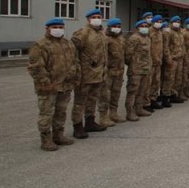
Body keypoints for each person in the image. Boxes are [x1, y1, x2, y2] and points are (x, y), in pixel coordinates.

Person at [27, 17, 79, 151]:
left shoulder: (68, 44)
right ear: (47, 29)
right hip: (48, 87)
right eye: (55, 27)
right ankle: (46, 138)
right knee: (46, 113)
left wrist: (75, 77)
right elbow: (36, 67)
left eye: (60, 27)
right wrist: (45, 83)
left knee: (61, 112)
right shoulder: (40, 45)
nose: (58, 29)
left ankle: (58, 135)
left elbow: (75, 62)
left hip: (65, 86)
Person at [71, 8, 108, 138]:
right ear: (88, 19)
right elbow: (73, 53)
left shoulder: (101, 33)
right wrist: (77, 70)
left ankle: (90, 122)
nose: (97, 19)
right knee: (80, 101)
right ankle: (77, 126)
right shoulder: (83, 33)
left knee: (92, 99)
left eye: (99, 16)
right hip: (85, 75)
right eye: (94, 17)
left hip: (98, 74)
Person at [123, 20, 152, 121]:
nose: (144, 27)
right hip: (136, 69)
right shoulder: (134, 38)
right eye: (142, 26)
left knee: (142, 90)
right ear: (137, 28)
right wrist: (134, 64)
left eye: (146, 26)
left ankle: (139, 108)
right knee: (132, 91)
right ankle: (130, 112)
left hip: (145, 68)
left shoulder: (147, 38)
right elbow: (128, 55)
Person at [100, 17, 125, 127]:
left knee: (116, 93)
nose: (117, 28)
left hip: (119, 71)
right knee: (105, 95)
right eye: (115, 26)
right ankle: (103, 116)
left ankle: (113, 113)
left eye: (119, 26)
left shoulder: (121, 39)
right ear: (109, 27)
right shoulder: (106, 39)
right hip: (109, 71)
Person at [161, 15, 185, 105]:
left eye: (179, 22)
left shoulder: (180, 33)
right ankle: (166, 96)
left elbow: (182, 46)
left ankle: (173, 94)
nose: (177, 23)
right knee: (169, 78)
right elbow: (166, 47)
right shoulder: (168, 32)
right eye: (175, 22)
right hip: (172, 59)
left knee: (177, 78)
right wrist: (168, 59)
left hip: (180, 58)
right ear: (171, 23)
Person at [147, 14, 165, 109]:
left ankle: (153, 99)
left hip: (158, 61)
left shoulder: (160, 33)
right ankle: (146, 102)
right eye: (157, 22)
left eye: (161, 22)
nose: (159, 23)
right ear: (153, 22)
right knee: (148, 82)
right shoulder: (149, 32)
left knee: (156, 81)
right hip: (151, 61)